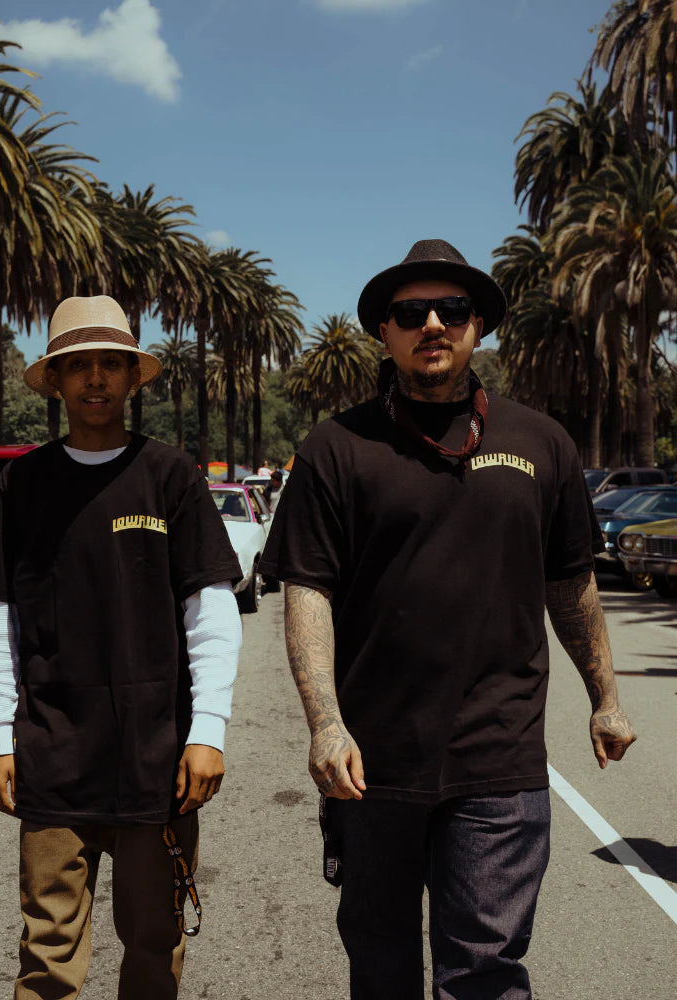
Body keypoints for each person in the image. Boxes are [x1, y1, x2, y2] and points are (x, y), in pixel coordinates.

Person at [258, 240, 637, 1000]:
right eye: (411, 313)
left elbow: (570, 583)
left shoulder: (541, 442)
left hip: (499, 759)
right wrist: (325, 722)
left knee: (484, 972)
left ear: (478, 325)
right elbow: (308, 590)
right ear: (385, 332)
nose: (432, 324)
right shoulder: (337, 447)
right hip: (372, 764)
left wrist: (606, 698)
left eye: (452, 309)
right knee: (381, 965)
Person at [0, 295, 243, 1000]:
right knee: (47, 953)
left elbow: (211, 611)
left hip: (157, 760)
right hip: (52, 755)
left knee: (154, 946)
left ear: (131, 377)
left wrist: (207, 732)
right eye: (78, 366)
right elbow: (3, 620)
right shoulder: (21, 484)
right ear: (56, 381)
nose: (95, 379)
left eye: (110, 364)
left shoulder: (170, 476)